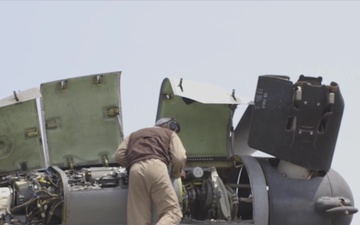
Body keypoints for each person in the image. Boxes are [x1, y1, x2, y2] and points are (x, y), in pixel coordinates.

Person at [114, 117, 187, 225]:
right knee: (173, 212)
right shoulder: (169, 133)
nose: (175, 130)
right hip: (157, 167)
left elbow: (118, 156)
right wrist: (176, 173)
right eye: (174, 127)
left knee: (138, 219)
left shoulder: (133, 135)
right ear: (167, 125)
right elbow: (179, 157)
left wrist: (133, 163)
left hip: (135, 171)